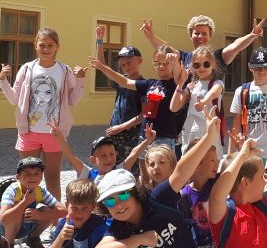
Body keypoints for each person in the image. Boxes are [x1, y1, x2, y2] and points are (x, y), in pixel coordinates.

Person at [90, 110, 221, 248]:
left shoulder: (157, 199)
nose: (118, 204)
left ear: (134, 193)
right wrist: (139, 239)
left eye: (123, 195)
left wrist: (209, 138)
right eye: (110, 201)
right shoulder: (118, 224)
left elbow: (181, 170)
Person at [0, 27, 86, 201]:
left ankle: (55, 215)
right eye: (42, 45)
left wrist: (81, 80)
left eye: (50, 45)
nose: (46, 49)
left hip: (54, 133)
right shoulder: (26, 69)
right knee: (27, 179)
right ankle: (25, 213)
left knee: (52, 177)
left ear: (57, 47)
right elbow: (14, 99)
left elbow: (72, 100)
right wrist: (2, 80)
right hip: (29, 132)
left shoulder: (64, 70)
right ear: (35, 46)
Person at [90, 46, 188, 155]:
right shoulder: (150, 83)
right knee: (143, 165)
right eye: (157, 63)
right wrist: (102, 67)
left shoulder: (176, 84)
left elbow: (179, 76)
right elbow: (125, 82)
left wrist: (175, 61)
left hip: (164, 137)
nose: (161, 66)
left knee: (163, 165)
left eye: (165, 63)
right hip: (145, 136)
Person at [95, 26, 144, 164]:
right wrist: (99, 41)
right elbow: (102, 66)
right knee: (113, 167)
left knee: (130, 168)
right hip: (115, 134)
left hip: (132, 136)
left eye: (129, 63)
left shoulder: (143, 85)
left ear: (140, 61)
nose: (126, 67)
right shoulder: (121, 81)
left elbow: (143, 115)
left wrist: (121, 127)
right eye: (123, 65)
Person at [0, 156, 67, 248]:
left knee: (48, 210)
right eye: (27, 174)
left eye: (36, 173)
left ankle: (33, 238)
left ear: (41, 176)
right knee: (16, 211)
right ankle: (8, 244)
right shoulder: (13, 190)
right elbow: (3, 218)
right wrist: (25, 202)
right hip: (3, 227)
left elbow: (64, 210)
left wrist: (40, 215)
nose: (32, 177)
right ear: (18, 177)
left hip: (26, 225)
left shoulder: (40, 191)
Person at [140, 15, 264, 69]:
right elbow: (165, 48)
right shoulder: (184, 57)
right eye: (196, 33)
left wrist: (251, 35)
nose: (200, 36)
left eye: (204, 33)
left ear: (210, 36)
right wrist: (150, 36)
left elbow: (235, 46)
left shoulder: (219, 56)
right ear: (190, 35)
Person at [170, 45, 225, 156]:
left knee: (209, 162)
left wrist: (203, 102)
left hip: (209, 134)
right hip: (191, 133)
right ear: (192, 67)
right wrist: (181, 82)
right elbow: (174, 107)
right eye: (197, 65)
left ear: (213, 65)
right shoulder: (191, 86)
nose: (201, 68)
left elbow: (213, 93)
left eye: (206, 64)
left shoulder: (217, 83)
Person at [53, 130, 121, 183]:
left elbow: (130, 157)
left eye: (111, 154)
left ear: (116, 154)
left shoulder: (121, 172)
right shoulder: (89, 174)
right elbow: (70, 156)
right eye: (103, 156)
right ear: (93, 160)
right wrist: (60, 137)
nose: (108, 159)